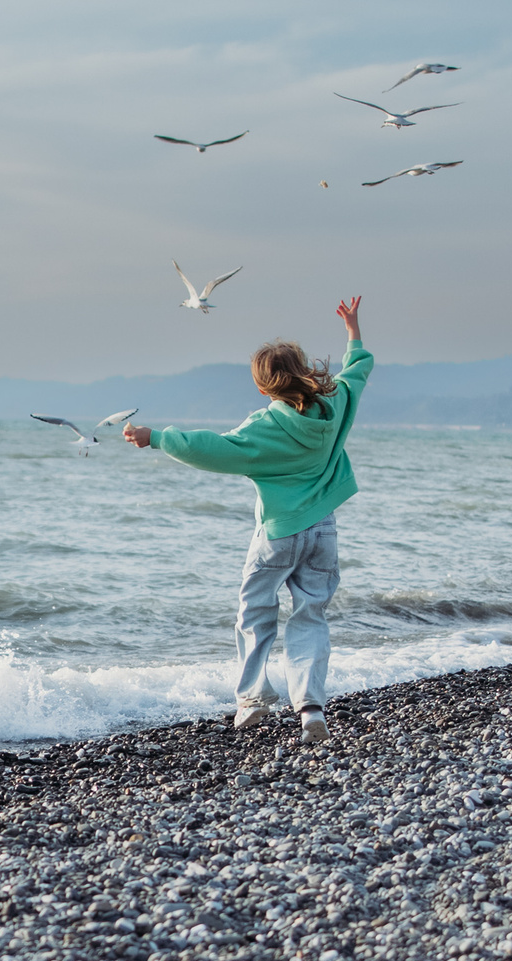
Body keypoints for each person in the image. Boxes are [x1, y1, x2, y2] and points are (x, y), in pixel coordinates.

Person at [123, 296, 370, 745]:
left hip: (278, 532)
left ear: (263, 389)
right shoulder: (335, 402)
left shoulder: (264, 426)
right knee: (311, 615)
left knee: (255, 612)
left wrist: (155, 437)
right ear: (303, 372)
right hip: (323, 531)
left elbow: (213, 448)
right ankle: (310, 708)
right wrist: (352, 330)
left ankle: (253, 699)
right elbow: (358, 371)